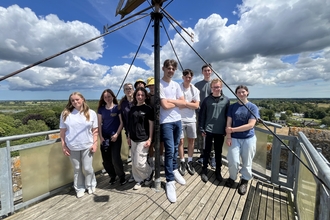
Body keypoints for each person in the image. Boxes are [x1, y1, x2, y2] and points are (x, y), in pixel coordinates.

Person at [60, 92, 98, 198]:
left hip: (87, 145)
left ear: (83, 99)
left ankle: (90, 185)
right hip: (72, 146)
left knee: (87, 168)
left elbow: (95, 131)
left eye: (77, 99)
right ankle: (80, 188)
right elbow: (62, 132)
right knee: (77, 168)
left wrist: (95, 144)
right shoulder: (65, 114)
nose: (75, 102)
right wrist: (64, 146)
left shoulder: (91, 113)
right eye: (73, 100)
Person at [225, 85, 259, 195]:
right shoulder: (232, 107)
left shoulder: (252, 107)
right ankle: (232, 177)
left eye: (243, 92)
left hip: (248, 138)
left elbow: (250, 125)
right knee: (233, 161)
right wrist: (229, 135)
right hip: (234, 138)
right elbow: (228, 122)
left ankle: (244, 180)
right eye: (238, 92)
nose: (241, 94)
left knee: (247, 162)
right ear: (236, 94)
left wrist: (232, 130)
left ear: (247, 93)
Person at [160, 59, 186, 203]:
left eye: (173, 69)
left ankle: (174, 169)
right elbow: (164, 105)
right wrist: (176, 102)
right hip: (166, 122)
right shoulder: (159, 84)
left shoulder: (176, 84)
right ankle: (170, 181)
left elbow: (183, 103)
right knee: (169, 149)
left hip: (177, 120)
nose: (171, 70)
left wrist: (174, 102)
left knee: (176, 147)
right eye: (168, 68)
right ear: (163, 68)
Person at [199, 78, 229, 183]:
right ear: (211, 88)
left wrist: (227, 129)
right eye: (214, 87)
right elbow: (202, 115)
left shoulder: (226, 100)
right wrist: (201, 128)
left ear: (221, 87)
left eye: (218, 87)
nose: (216, 89)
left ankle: (218, 171)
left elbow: (228, 116)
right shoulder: (207, 100)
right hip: (208, 130)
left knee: (218, 152)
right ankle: (204, 170)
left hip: (220, 131)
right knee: (206, 151)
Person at [97, 89, 127, 185]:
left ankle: (121, 176)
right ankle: (112, 176)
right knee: (106, 160)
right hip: (104, 137)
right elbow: (99, 123)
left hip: (115, 136)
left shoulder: (117, 108)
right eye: (105, 97)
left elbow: (121, 122)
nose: (107, 98)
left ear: (113, 97)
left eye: (109, 96)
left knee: (115, 158)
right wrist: (101, 137)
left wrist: (117, 134)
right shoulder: (101, 109)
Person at [127, 87, 154, 190]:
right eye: (138, 95)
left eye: (142, 95)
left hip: (143, 138)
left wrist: (150, 139)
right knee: (134, 162)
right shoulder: (132, 109)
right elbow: (130, 125)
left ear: (145, 97)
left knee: (140, 162)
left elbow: (151, 125)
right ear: (135, 96)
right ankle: (139, 180)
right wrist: (129, 136)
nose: (140, 97)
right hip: (133, 138)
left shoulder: (148, 109)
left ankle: (150, 172)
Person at [177, 69, 200, 176]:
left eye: (190, 77)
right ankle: (182, 161)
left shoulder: (195, 90)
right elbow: (177, 104)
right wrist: (189, 103)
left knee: (191, 141)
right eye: (186, 77)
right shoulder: (178, 88)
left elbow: (196, 106)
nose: (188, 78)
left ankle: (189, 161)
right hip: (179, 119)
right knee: (180, 141)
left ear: (192, 78)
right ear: (183, 77)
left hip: (191, 119)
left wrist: (183, 103)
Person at [194, 63, 216, 169]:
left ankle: (211, 156)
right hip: (200, 114)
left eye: (209, 70)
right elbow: (193, 99)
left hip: (212, 115)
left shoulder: (215, 84)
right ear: (202, 72)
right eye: (205, 70)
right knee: (201, 134)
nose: (207, 72)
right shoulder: (197, 85)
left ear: (211, 71)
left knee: (211, 135)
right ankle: (203, 155)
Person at [145, 77, 164, 169]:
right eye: (150, 86)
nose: (152, 87)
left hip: (160, 122)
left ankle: (160, 158)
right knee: (151, 142)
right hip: (149, 123)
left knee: (161, 142)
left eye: (153, 85)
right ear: (148, 87)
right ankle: (151, 160)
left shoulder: (160, 96)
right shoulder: (146, 97)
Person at [119, 83, 135, 182]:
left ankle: (145, 173)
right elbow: (123, 120)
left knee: (141, 154)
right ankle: (134, 173)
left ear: (133, 90)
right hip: (129, 132)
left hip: (140, 132)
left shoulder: (138, 100)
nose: (128, 90)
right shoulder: (123, 104)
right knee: (133, 154)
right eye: (126, 89)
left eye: (130, 88)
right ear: (124, 91)